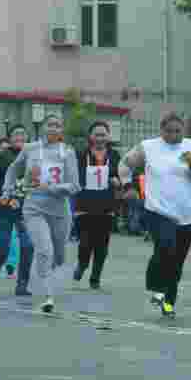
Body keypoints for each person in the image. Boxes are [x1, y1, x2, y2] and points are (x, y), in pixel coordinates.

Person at [118, 112, 191, 318]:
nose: (173, 135)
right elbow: (125, 164)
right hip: (158, 210)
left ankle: (168, 301)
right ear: (161, 130)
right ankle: (155, 285)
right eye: (168, 131)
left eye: (177, 131)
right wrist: (127, 186)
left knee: (177, 261)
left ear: (184, 131)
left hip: (187, 214)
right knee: (166, 246)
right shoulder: (149, 147)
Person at [2, 113, 80, 313]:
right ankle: (47, 295)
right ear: (43, 127)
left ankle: (48, 277)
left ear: (62, 130)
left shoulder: (67, 152)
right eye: (50, 125)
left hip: (59, 210)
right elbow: (13, 169)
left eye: (57, 125)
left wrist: (51, 187)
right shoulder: (30, 149)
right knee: (44, 250)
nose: (53, 128)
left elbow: (74, 186)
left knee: (59, 256)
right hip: (33, 207)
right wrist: (7, 189)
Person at [74, 121, 121, 289]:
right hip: (85, 204)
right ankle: (82, 264)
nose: (100, 138)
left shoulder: (114, 155)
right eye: (97, 134)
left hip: (106, 204)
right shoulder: (82, 154)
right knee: (85, 242)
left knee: (102, 244)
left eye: (103, 134)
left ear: (108, 136)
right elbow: (75, 175)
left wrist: (117, 180)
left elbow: (119, 173)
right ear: (90, 136)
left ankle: (95, 277)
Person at [0, 124, 34, 295]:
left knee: (28, 245)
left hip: (27, 210)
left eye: (23, 134)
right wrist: (7, 200)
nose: (20, 137)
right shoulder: (1, 157)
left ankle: (22, 284)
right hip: (4, 209)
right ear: (9, 138)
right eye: (16, 134)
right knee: (2, 246)